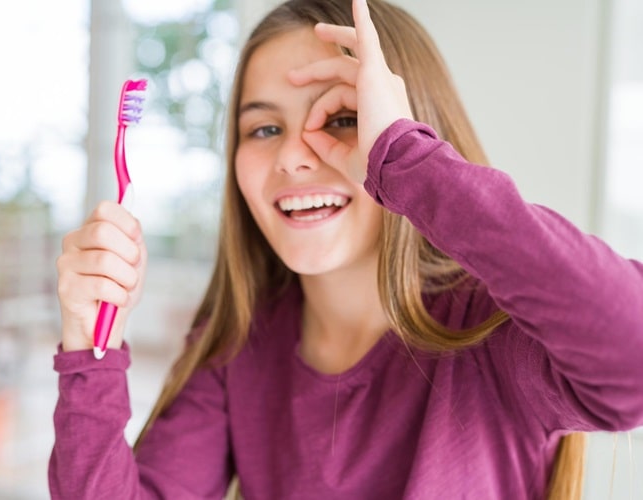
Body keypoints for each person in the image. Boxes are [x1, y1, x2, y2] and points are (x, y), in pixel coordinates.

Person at [50, 0, 643, 498]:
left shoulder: (490, 333)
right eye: (263, 129)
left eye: (342, 120)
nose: (291, 156)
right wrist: (89, 348)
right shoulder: (240, 342)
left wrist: (409, 165)